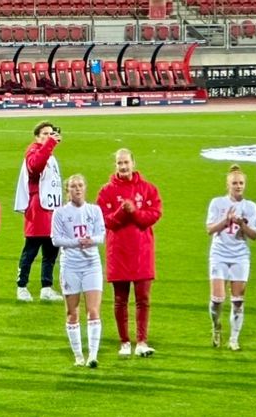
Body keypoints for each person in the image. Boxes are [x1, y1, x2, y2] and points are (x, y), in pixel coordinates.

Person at [96, 148, 162, 358]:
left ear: (133, 163)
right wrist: (122, 212)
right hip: (119, 252)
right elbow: (105, 222)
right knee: (120, 299)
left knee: (143, 299)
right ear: (115, 165)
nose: (123, 167)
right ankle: (124, 341)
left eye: (126, 162)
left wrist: (135, 211)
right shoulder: (106, 192)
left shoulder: (148, 189)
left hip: (142, 252)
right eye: (119, 163)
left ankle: (141, 341)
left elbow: (152, 216)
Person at [52, 174, 106, 368]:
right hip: (70, 267)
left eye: (80, 185)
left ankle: (92, 355)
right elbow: (55, 239)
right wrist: (77, 242)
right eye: (73, 186)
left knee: (93, 310)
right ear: (68, 191)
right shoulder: (60, 213)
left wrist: (92, 240)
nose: (77, 189)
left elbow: (102, 234)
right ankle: (78, 355)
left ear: (85, 188)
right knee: (72, 312)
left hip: (92, 264)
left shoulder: (94, 210)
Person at [206, 164, 256, 351]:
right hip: (219, 254)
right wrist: (226, 221)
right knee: (217, 299)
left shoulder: (250, 206)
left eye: (241, 183)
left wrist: (241, 225)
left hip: (240, 256)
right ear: (228, 185)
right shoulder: (217, 203)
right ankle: (216, 326)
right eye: (235, 183)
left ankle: (234, 338)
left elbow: (254, 235)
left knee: (237, 300)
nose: (238, 186)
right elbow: (210, 230)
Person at [13, 121, 64, 302]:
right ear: (37, 137)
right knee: (31, 249)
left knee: (51, 251)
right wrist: (50, 144)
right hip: (38, 208)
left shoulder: (50, 155)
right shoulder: (33, 151)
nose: (49, 137)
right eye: (45, 134)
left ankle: (46, 287)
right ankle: (22, 286)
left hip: (51, 210)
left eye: (51, 133)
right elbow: (35, 166)